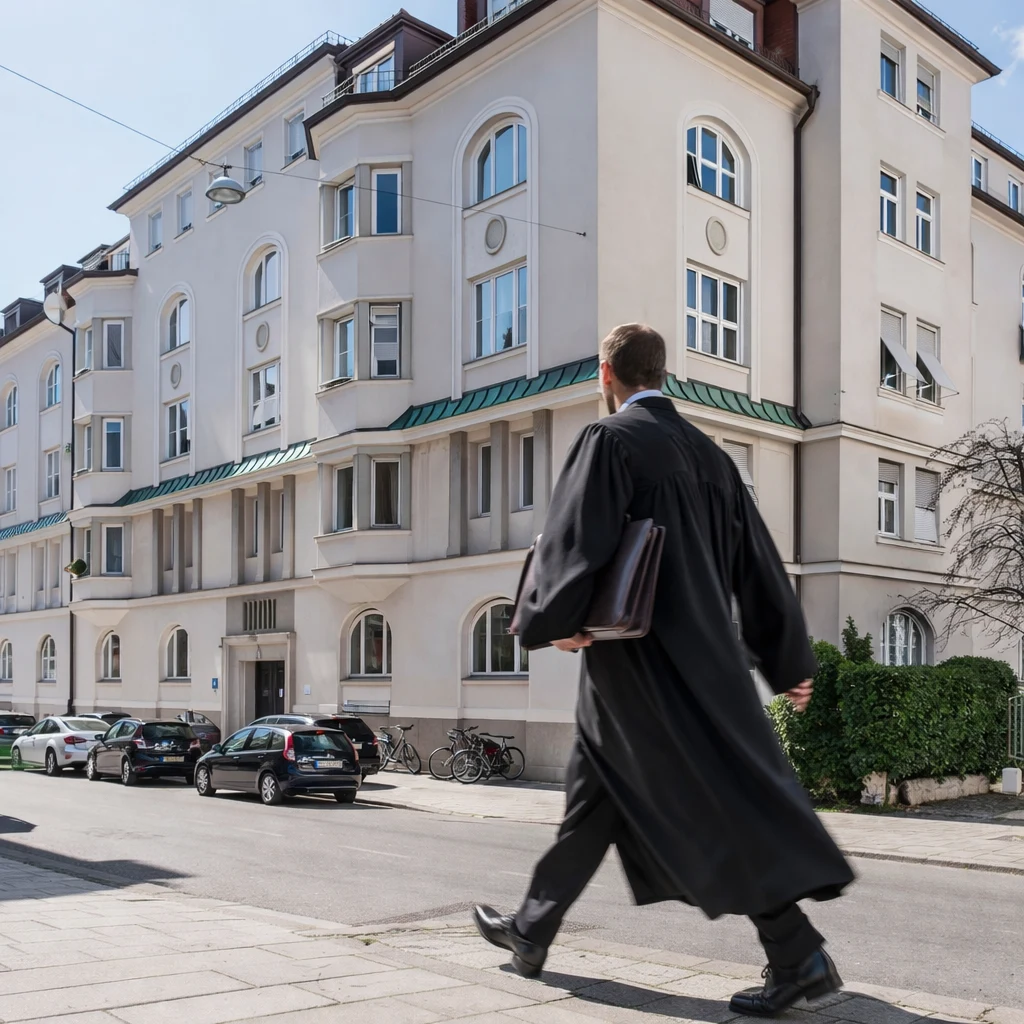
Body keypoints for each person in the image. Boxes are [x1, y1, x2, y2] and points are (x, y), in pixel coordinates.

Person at [472, 323, 855, 1017]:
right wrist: (787, 655)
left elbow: (575, 536)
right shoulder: (711, 456)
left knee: (714, 802)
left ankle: (800, 957)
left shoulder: (610, 439)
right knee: (593, 797)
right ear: (662, 373)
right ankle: (531, 932)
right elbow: (758, 564)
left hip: (644, 665)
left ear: (605, 372)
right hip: (706, 660)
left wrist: (552, 622)